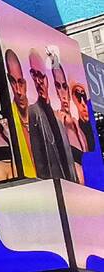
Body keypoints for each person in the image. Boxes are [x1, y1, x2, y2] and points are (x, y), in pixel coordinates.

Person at [27, 47, 74, 181]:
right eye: (34, 74)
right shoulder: (33, 112)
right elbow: (39, 160)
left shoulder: (59, 118)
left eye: (41, 75)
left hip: (70, 185)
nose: (38, 81)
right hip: (54, 186)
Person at [51, 55, 88, 183]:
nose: (62, 93)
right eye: (58, 86)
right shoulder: (55, 118)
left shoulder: (79, 128)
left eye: (64, 86)